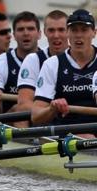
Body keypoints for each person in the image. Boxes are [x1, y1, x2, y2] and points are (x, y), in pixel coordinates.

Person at [33, 9, 97, 138]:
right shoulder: (52, 65)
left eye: (84, 30)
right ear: (68, 33)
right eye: (74, 30)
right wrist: (52, 108)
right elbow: (36, 117)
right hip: (66, 132)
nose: (78, 35)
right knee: (88, 137)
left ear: (94, 33)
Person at [15, 10, 68, 127]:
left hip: (73, 119)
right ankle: (26, 141)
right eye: (51, 30)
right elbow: (24, 105)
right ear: (44, 32)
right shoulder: (33, 60)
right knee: (18, 110)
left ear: (69, 31)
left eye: (61, 30)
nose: (56, 35)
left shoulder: (82, 59)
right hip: (45, 120)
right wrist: (52, 109)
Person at [0, 11, 41, 117]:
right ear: (14, 35)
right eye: (20, 29)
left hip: (44, 118)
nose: (26, 33)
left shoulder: (50, 61)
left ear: (39, 34)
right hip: (9, 122)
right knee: (19, 109)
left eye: (31, 29)